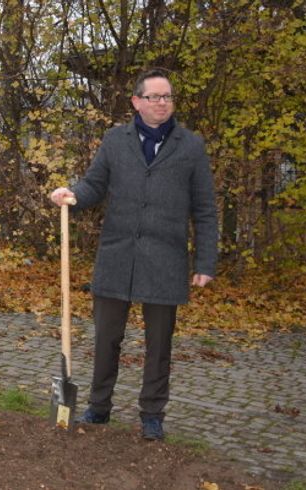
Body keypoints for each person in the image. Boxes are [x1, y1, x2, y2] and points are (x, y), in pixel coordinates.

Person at [48, 68, 217, 440]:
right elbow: (94, 184)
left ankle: (152, 413)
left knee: (159, 344)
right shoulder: (115, 141)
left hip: (166, 258)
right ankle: (99, 407)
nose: (162, 104)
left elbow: (205, 207)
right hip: (117, 255)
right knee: (107, 337)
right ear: (137, 102)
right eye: (155, 97)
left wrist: (205, 262)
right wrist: (71, 195)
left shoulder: (191, 146)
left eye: (168, 97)